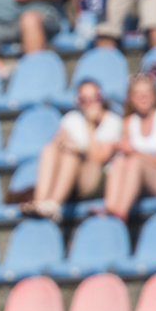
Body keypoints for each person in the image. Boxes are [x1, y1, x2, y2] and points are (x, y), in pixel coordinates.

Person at [26, 79, 122, 220]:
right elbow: (56, 142)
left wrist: (90, 125)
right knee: (50, 149)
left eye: (94, 98)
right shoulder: (72, 118)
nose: (89, 103)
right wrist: (65, 143)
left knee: (72, 155)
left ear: (101, 98)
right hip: (70, 176)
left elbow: (100, 158)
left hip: (96, 179)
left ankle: (53, 205)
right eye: (84, 100)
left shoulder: (112, 122)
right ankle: (40, 202)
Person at [103, 74, 156, 220]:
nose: (143, 98)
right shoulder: (128, 122)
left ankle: (120, 213)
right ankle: (109, 207)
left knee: (135, 161)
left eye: (147, 94)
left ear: (154, 96)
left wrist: (137, 153)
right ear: (131, 99)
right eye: (138, 94)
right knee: (119, 161)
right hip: (137, 181)